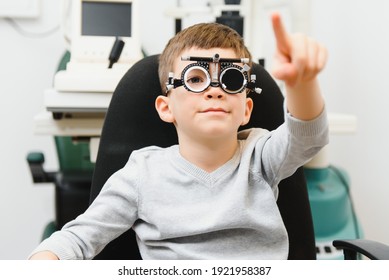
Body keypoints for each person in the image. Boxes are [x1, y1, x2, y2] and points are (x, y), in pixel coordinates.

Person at [29, 12, 328, 260]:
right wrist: (45, 261)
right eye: (195, 78)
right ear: (166, 107)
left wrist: (303, 84)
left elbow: (306, 137)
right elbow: (78, 238)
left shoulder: (260, 156)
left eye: (231, 79)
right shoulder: (141, 175)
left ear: (246, 109)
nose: (214, 89)